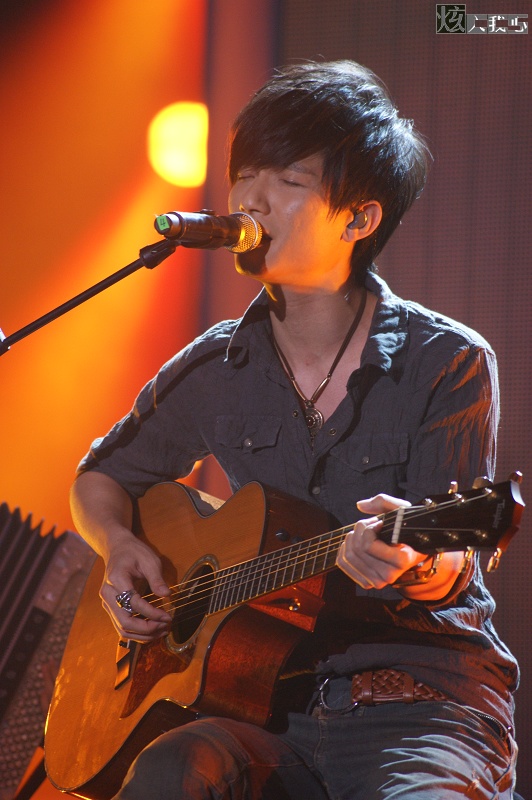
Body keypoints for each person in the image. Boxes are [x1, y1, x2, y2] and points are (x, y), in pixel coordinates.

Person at [70, 61, 519, 799]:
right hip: (262, 704)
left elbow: (453, 563)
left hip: (420, 703)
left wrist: (410, 557)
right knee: (171, 771)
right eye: (244, 175)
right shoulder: (216, 363)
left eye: (287, 179)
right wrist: (119, 546)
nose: (250, 198)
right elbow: (100, 478)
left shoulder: (448, 360)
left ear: (358, 219)